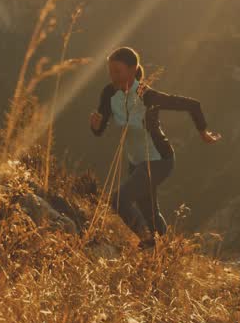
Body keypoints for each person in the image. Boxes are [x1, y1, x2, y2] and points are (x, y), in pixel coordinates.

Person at [88, 46, 220, 241]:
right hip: (136, 162)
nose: (113, 76)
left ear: (133, 70)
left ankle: (147, 240)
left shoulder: (146, 95)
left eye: (118, 71)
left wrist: (203, 133)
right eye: (110, 71)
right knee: (150, 214)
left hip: (160, 159)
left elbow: (193, 105)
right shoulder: (108, 94)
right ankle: (164, 250)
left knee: (118, 199)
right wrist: (95, 126)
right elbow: (99, 130)